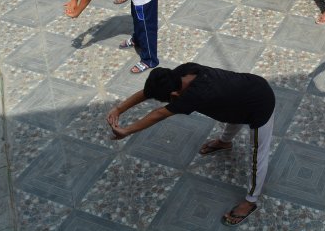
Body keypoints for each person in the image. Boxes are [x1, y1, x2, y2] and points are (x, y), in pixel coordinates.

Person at [106, 62, 275, 225]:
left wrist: (127, 131)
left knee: (258, 154)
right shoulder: (181, 72)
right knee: (233, 114)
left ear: (174, 95)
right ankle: (224, 143)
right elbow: (149, 91)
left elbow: (158, 114)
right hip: (244, 91)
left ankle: (251, 201)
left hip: (261, 103)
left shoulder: (194, 95)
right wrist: (119, 109)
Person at [66, 0, 161, 74]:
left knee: (146, 24)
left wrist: (76, 13)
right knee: (136, 15)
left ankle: (150, 60)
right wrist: (74, 0)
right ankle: (138, 39)